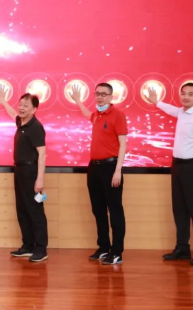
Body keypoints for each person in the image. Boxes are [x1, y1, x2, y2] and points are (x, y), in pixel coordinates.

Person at [146, 83, 193, 265]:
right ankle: (182, 248)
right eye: (183, 93)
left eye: (190, 94)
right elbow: (172, 110)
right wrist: (156, 102)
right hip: (177, 166)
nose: (185, 97)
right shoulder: (182, 112)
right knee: (179, 209)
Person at [70, 83, 128, 265]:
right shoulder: (97, 115)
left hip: (111, 168)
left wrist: (118, 170)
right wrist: (78, 101)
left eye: (104, 94)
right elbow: (88, 115)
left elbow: (123, 144)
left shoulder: (118, 115)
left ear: (111, 97)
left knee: (115, 210)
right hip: (94, 168)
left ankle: (116, 252)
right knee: (98, 210)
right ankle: (104, 247)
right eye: (97, 94)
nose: (100, 97)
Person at [0, 87, 49, 262]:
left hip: (31, 172)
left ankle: (41, 249)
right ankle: (28, 245)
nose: (21, 108)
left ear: (34, 109)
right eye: (20, 104)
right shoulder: (22, 122)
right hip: (19, 171)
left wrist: (40, 179)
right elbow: (13, 114)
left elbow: (42, 154)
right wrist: (3, 100)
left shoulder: (36, 127)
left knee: (35, 210)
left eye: (26, 105)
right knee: (22, 209)